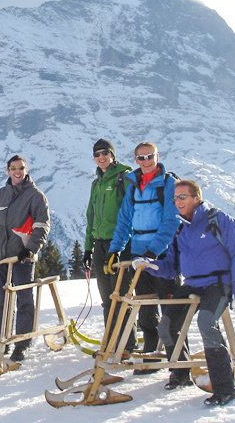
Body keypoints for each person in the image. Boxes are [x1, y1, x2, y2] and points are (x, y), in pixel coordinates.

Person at [136, 179, 235, 405]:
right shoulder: (181, 229)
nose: (177, 201)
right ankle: (180, 374)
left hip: (218, 283)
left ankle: (225, 389)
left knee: (207, 323)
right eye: (175, 198)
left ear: (196, 198)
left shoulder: (219, 220)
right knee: (166, 325)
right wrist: (150, 265)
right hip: (192, 284)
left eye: (182, 197)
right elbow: (171, 267)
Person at [108, 142, 180, 373]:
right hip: (139, 253)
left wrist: (153, 252)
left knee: (170, 308)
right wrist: (115, 249)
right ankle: (151, 354)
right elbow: (124, 219)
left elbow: (171, 221)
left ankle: (178, 362)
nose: (146, 161)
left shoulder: (169, 184)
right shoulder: (132, 185)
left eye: (150, 156)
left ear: (158, 156)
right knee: (146, 308)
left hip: (163, 255)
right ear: (135, 159)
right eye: (141, 157)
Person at [0, 154, 50, 362]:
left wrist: (30, 249)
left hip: (22, 258)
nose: (17, 172)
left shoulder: (36, 196)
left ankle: (23, 343)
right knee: (3, 301)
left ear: (26, 170)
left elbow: (42, 226)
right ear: (7, 171)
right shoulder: (0, 195)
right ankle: (0, 341)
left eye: (21, 168)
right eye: (13, 168)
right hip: (1, 257)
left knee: (24, 300)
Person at [82, 138, 136, 353]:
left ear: (113, 155)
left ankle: (127, 345)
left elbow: (131, 212)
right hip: (100, 245)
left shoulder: (125, 177)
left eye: (105, 153)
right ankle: (112, 342)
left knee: (121, 296)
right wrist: (88, 247)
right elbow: (91, 216)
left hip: (121, 244)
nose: (101, 157)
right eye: (97, 154)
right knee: (107, 299)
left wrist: (122, 244)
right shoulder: (96, 183)